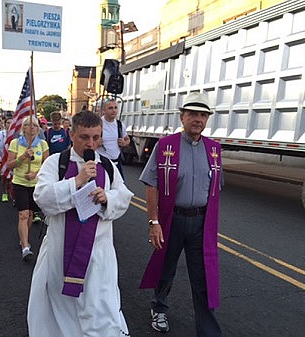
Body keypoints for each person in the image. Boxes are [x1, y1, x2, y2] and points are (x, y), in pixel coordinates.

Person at [28, 110, 133, 337]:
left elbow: (123, 196)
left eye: (96, 137)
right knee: (62, 310)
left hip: (98, 252)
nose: (91, 143)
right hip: (60, 250)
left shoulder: (107, 165)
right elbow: (42, 198)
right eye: (85, 137)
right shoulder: (56, 164)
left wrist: (108, 199)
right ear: (71, 134)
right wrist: (76, 181)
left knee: (100, 307)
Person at [139, 92, 223, 336]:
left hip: (200, 222)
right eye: (193, 114)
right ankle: (160, 308)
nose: (198, 119)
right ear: (182, 117)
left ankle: (208, 330)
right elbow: (151, 183)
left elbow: (215, 188)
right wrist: (154, 221)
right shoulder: (165, 146)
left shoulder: (215, 150)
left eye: (203, 115)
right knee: (166, 268)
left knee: (203, 275)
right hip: (172, 220)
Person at [6, 115, 49, 260]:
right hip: (20, 183)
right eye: (28, 125)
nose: (31, 128)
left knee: (30, 214)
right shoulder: (15, 143)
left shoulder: (42, 144)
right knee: (23, 214)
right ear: (22, 128)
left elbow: (47, 164)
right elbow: (9, 164)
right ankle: (25, 246)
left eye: (34, 126)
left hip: (36, 184)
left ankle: (23, 237)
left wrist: (36, 174)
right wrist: (23, 157)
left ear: (38, 129)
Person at [96, 99, 130, 180]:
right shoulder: (98, 123)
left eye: (115, 108)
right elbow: (88, 141)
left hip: (116, 163)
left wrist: (124, 143)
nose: (114, 110)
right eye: (110, 108)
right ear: (104, 110)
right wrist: (96, 143)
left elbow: (127, 139)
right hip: (101, 162)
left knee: (120, 188)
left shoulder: (120, 125)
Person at [0, 117, 13, 202]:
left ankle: (13, 194)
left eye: (11, 122)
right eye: (8, 123)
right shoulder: (0, 134)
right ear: (5, 124)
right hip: (3, 158)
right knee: (4, 178)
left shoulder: (16, 134)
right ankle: (4, 193)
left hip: (13, 158)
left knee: (12, 178)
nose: (9, 124)